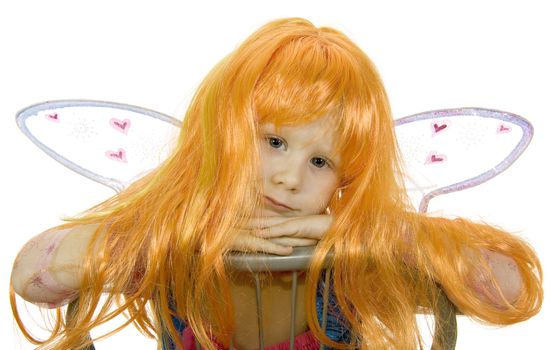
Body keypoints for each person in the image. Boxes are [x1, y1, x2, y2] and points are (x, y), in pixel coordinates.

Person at [10, 18, 543, 350]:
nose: (288, 177)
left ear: (347, 176)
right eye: (273, 142)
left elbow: (511, 291)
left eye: (321, 162)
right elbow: (32, 276)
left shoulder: (350, 266)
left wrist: (360, 233)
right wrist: (187, 230)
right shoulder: (173, 248)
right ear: (225, 135)